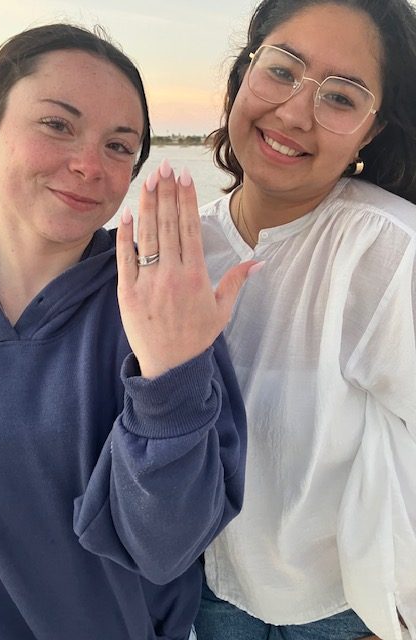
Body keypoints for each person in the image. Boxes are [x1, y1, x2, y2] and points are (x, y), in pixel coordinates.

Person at [0, 23, 258, 640]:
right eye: (58, 125)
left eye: (118, 145)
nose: (89, 165)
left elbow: (166, 548)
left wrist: (169, 380)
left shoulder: (164, 304)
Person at [194, 1, 416, 639]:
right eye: (282, 70)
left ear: (371, 131)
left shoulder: (386, 250)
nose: (294, 113)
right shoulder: (182, 244)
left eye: (341, 98)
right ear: (244, 74)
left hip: (345, 607)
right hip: (206, 593)